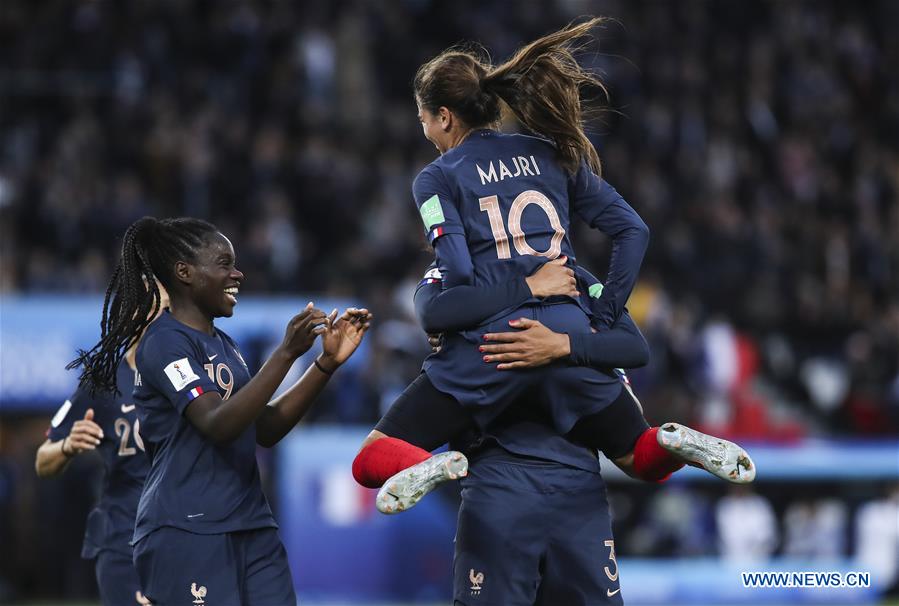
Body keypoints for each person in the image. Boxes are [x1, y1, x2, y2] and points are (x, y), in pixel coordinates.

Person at [352, 18, 754, 512]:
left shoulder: (435, 178)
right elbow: (634, 231)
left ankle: (429, 464)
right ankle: (673, 442)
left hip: (494, 345)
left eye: (423, 120)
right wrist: (600, 317)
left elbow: (456, 279)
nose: (425, 131)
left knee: (371, 457)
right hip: (568, 329)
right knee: (636, 454)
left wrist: (471, 308)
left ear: (443, 117)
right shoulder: (552, 153)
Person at [69, 216, 371, 606]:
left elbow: (263, 427)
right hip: (188, 530)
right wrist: (285, 353)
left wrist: (324, 364)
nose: (238, 274)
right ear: (185, 273)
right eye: (224, 263)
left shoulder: (225, 345)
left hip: (252, 525)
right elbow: (216, 423)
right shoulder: (163, 344)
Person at [35, 288, 170, 606]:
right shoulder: (104, 380)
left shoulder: (186, 375)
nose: (166, 318)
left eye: (169, 309)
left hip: (182, 535)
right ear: (132, 315)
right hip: (124, 539)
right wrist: (68, 445)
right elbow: (43, 461)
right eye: (157, 308)